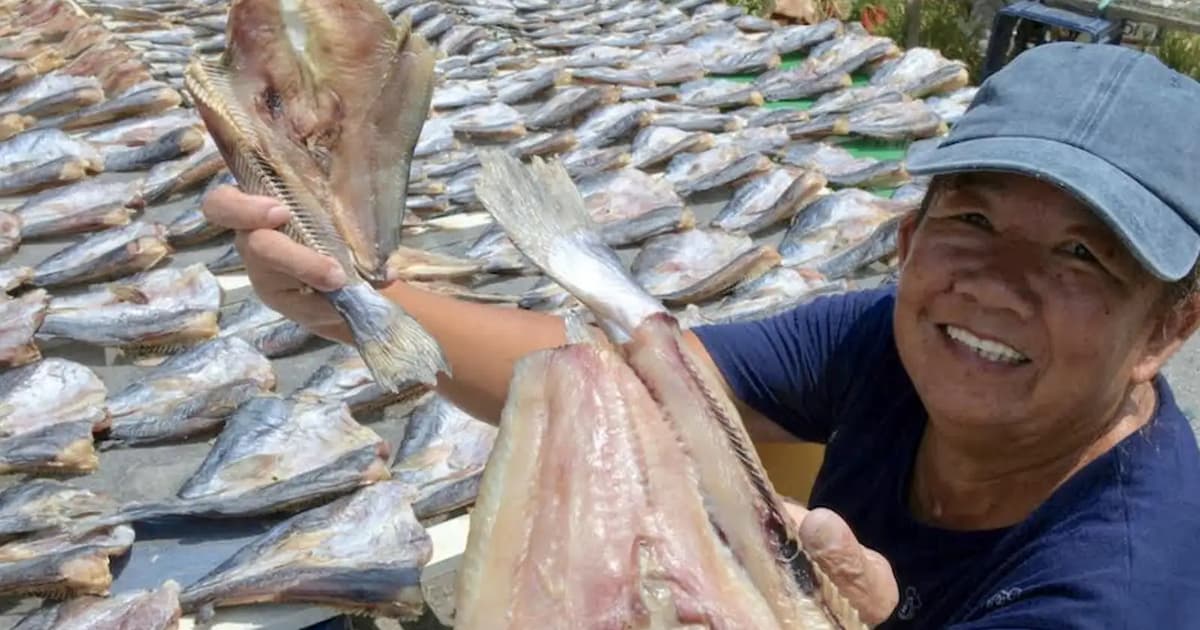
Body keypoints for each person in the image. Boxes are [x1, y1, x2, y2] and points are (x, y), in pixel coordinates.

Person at [202, 42, 1200, 629]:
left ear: (1167, 328)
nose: (999, 288)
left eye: (1083, 255)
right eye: (973, 219)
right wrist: (349, 301)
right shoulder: (892, 343)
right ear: (909, 240)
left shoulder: (1118, 595)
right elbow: (617, 382)